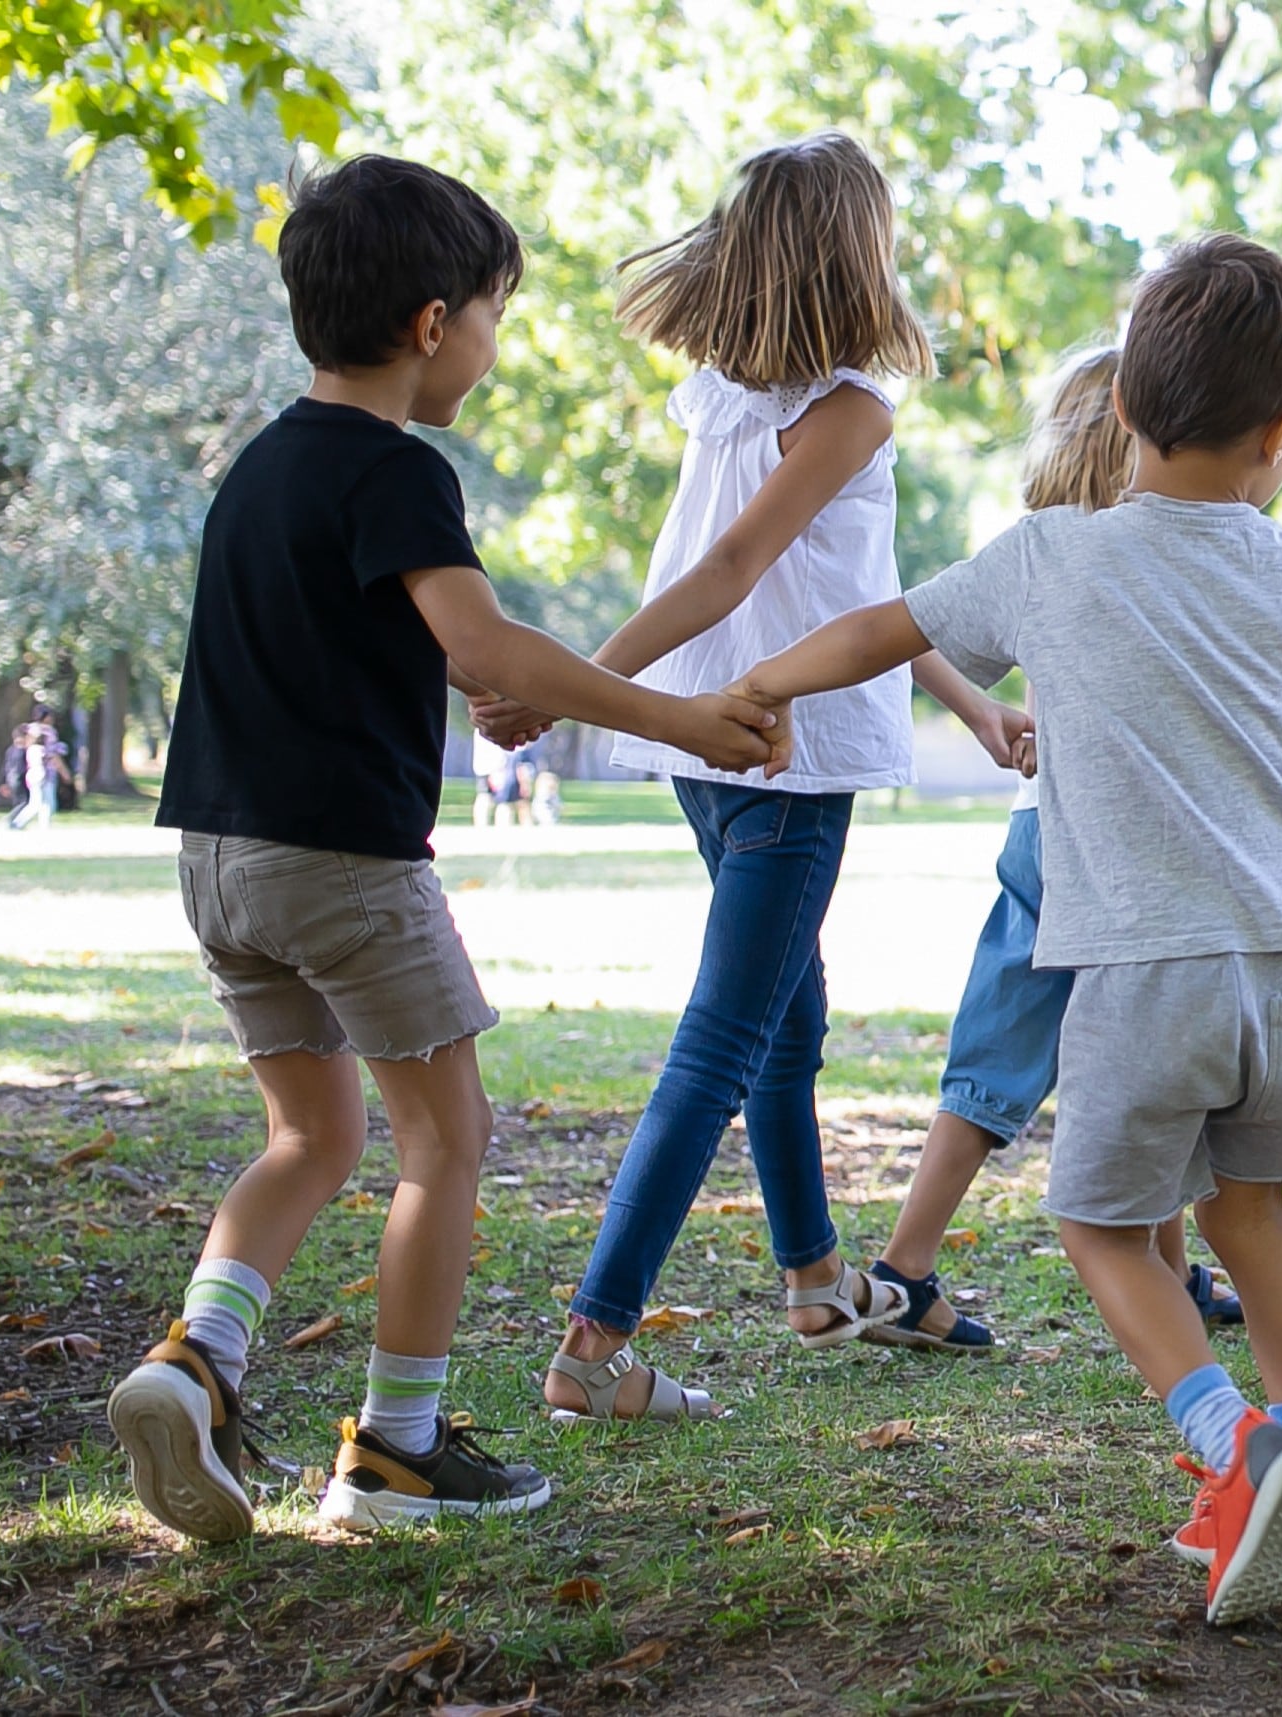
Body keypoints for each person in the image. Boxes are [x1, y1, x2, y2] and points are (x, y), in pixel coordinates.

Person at [725, 233, 1282, 1624]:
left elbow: (885, 630)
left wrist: (765, 682)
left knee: (1097, 1222)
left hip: (1147, 972)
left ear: (1124, 413)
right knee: (1250, 1219)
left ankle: (1237, 1445)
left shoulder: (1047, 557)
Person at [107, 154, 783, 1542]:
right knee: (445, 1140)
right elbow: (483, 646)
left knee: (309, 1132)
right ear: (432, 325)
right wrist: (682, 717)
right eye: (490, 314)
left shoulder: (258, 469)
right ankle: (398, 1449)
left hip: (218, 862)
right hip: (345, 868)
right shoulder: (397, 471)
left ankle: (199, 1359)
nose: (489, 341)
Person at [515, 133, 1033, 1425]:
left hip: (714, 736)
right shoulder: (847, 402)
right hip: (773, 748)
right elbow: (735, 571)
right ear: (859, 248)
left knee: (786, 1021)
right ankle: (594, 1344)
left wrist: (967, 700)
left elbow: (852, 588)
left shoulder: (724, 395)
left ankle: (813, 1278)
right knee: (728, 1037)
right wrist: (573, 682)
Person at [865, 346, 1245, 1357]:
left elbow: (908, 626)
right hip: (1123, 844)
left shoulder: (1042, 544)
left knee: (1012, 1050)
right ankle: (918, 1270)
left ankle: (908, 1264)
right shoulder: (1165, 546)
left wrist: (987, 711)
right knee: (1151, 1043)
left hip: (1042, 828)